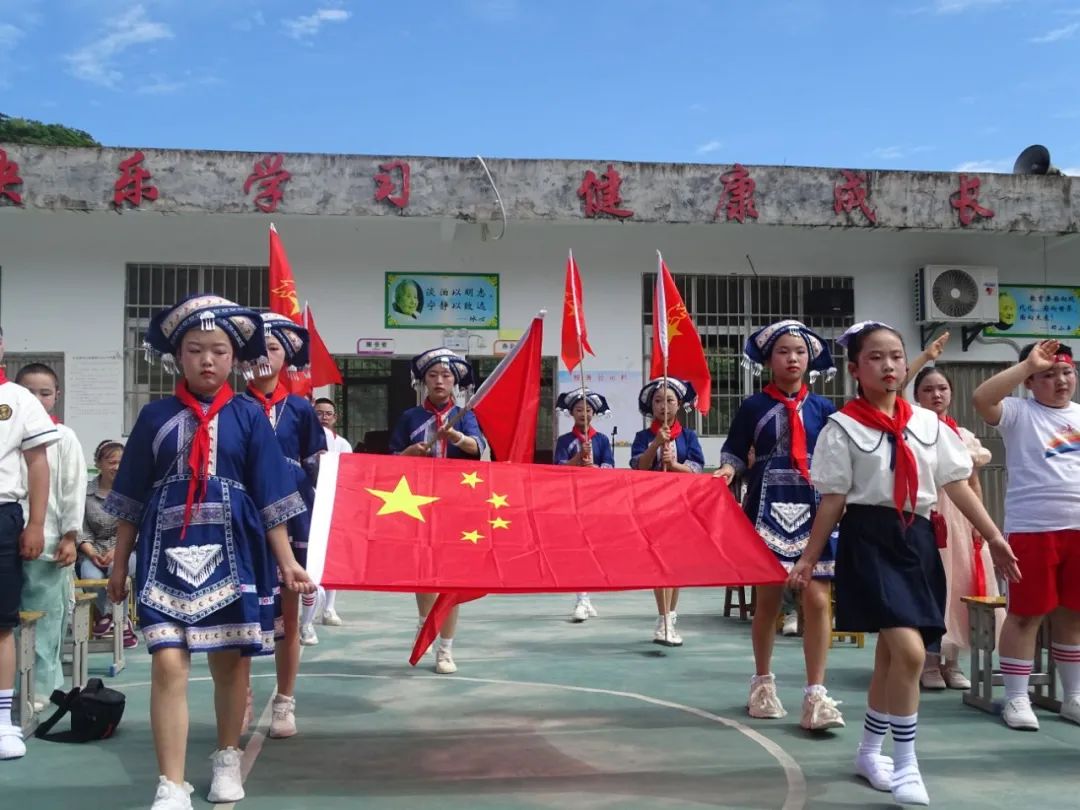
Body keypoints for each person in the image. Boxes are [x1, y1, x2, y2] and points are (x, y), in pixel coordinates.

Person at [790, 321, 1018, 806]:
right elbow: (832, 500)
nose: (889, 364)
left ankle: (871, 751)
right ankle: (908, 762)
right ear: (855, 369)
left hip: (916, 539)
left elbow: (955, 483)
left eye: (896, 355)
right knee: (912, 653)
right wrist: (808, 558)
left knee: (893, 656)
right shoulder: (842, 427)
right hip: (868, 539)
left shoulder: (927, 424)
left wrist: (994, 535)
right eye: (875, 357)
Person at [103, 294, 314, 809]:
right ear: (179, 356)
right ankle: (171, 783)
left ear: (233, 357)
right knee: (168, 664)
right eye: (196, 349)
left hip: (235, 551)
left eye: (218, 350)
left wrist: (287, 563)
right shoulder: (154, 418)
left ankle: (225, 756)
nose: (207, 360)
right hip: (162, 553)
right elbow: (130, 496)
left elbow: (271, 495)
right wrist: (117, 562)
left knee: (229, 663)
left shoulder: (248, 417)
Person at [714, 320, 844, 731]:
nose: (792, 358)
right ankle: (763, 684)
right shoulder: (753, 406)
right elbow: (734, 452)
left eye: (800, 352)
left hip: (815, 506)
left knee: (818, 600)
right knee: (768, 602)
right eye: (784, 352)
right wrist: (725, 473)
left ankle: (816, 695)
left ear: (810, 360)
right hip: (765, 505)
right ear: (769, 360)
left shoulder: (825, 409)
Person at [972, 339, 1080, 731]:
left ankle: (1073, 697)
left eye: (1066, 372)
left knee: (1073, 613)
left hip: (1078, 529)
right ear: (1031, 383)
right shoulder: (1019, 412)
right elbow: (982, 398)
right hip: (1033, 529)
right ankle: (1016, 698)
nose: (1061, 381)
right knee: (1024, 615)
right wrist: (1026, 365)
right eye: (1048, 375)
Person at [243, 312, 326, 738]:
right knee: (239, 611)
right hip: (242, 516)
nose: (263, 357)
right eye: (255, 349)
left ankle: (284, 701)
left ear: (286, 357)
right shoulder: (233, 405)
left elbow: (319, 470)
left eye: (272, 348)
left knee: (288, 617)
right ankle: (240, 696)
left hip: (293, 516)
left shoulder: (300, 409)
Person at [907, 334, 998, 690]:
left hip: (960, 521)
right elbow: (895, 385)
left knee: (960, 585)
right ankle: (927, 662)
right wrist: (925, 355)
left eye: (943, 389)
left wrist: (981, 527)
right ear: (916, 397)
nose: (937, 395)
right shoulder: (909, 428)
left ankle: (952, 661)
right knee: (929, 587)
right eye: (928, 389)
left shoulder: (962, 435)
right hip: (925, 517)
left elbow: (972, 482)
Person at [389, 347, 485, 674]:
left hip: (456, 502)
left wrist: (455, 434)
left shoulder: (465, 414)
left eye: (446, 375)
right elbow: (391, 461)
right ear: (423, 381)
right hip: (417, 501)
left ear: (455, 381)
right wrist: (410, 452)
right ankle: (423, 623)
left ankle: (446, 648)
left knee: (451, 576)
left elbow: (478, 449)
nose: (440, 380)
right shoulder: (410, 418)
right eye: (433, 375)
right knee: (423, 571)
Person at [0, 327, 58, 761]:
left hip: (3, 514)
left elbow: (37, 464)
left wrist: (36, 523)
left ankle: (3, 722)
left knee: (2, 623)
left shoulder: (18, 400)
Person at [16, 363, 88, 705]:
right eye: (28, 392)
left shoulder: (63, 437)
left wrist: (70, 536)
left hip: (48, 543)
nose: (36, 398)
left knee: (46, 621)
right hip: (9, 538)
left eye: (44, 392)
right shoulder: (7, 433)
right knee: (10, 620)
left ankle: (42, 687)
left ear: (56, 397)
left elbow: (73, 489)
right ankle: (11, 686)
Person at [630, 377, 704, 647]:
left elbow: (697, 470)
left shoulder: (689, 437)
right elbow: (638, 466)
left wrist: (674, 465)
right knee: (659, 561)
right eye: (658, 401)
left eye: (670, 400)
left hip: (681, 504)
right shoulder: (643, 437)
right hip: (652, 504)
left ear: (680, 404)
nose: (664, 406)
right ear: (651, 406)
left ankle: (671, 616)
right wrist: (654, 445)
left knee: (675, 563)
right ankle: (662, 619)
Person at [554, 388, 614, 623]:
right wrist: (578, 459)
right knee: (577, 547)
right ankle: (582, 598)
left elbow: (610, 466)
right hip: (571, 499)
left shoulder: (601, 440)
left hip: (595, 500)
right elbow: (556, 470)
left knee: (593, 548)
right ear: (572, 413)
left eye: (588, 410)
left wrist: (594, 469)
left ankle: (586, 596)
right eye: (579, 410)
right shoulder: (565, 441)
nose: (584, 414)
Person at [79, 440, 137, 648]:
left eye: (121, 462)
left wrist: (117, 550)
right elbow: (81, 529)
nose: (117, 467)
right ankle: (115, 619)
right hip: (93, 551)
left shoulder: (132, 490)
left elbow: (137, 528)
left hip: (126, 551)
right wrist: (91, 552)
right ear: (98, 463)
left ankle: (110, 618)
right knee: (90, 577)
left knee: (116, 568)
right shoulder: (84, 493)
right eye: (111, 462)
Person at [311, 397, 352, 628]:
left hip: (333, 503)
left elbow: (349, 474)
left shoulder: (343, 444)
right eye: (319, 413)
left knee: (332, 555)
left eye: (328, 413)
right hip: (308, 501)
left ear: (335, 418)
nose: (324, 417)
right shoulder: (303, 441)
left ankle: (329, 608)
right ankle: (310, 607)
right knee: (310, 556)